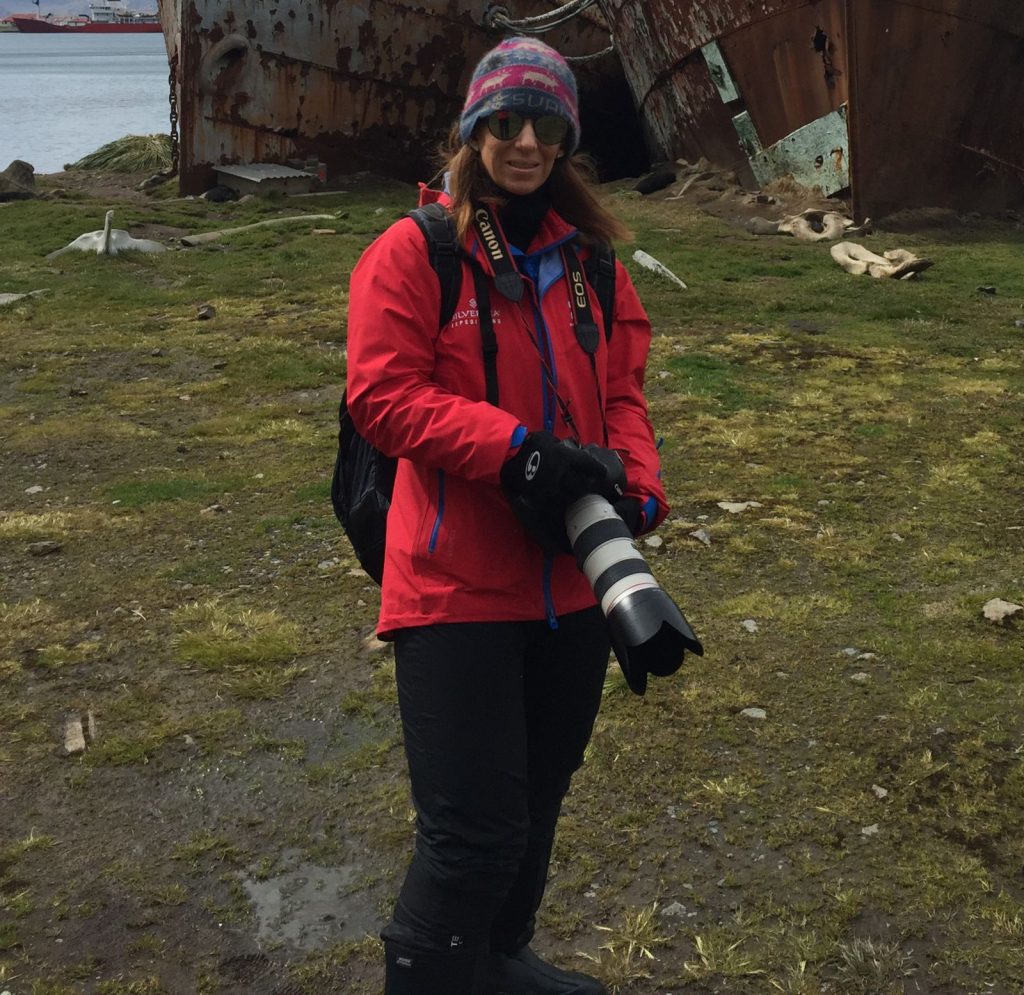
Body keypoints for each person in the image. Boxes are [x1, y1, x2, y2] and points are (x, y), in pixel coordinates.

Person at [345, 36, 669, 995]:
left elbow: (625, 394)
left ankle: (499, 958)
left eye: (546, 125)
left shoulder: (594, 267)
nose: (525, 142)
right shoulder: (417, 252)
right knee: (471, 829)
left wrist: (637, 489)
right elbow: (382, 396)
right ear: (475, 128)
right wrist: (519, 451)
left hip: (573, 583)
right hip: (453, 584)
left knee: (536, 798)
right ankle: (435, 976)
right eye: (506, 122)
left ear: (566, 136)